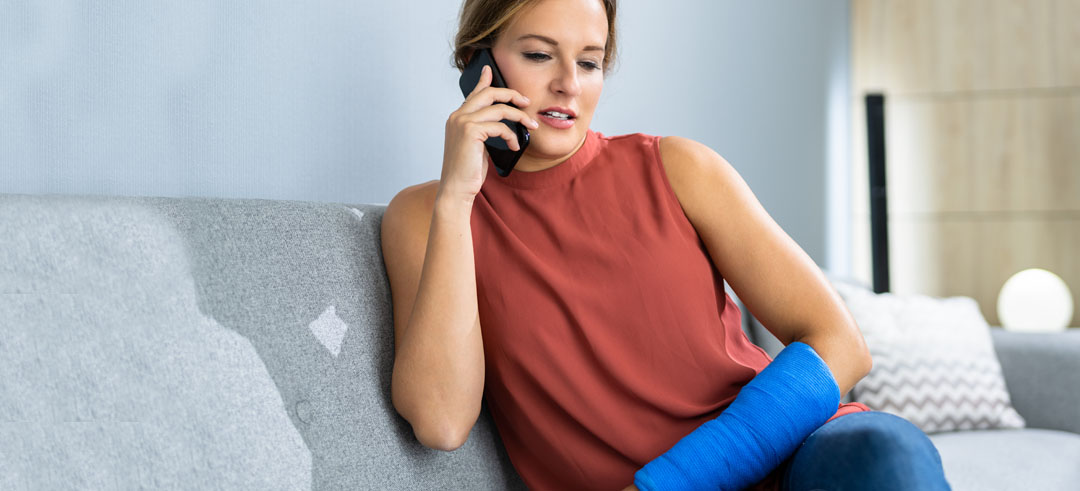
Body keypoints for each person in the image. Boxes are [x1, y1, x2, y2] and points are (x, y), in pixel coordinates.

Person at [381, 0, 952, 489]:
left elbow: (841, 344)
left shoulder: (678, 168)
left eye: (590, 62)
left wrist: (670, 483)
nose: (569, 84)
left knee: (888, 454)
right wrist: (457, 197)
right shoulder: (428, 217)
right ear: (477, 63)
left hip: (795, 463)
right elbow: (440, 421)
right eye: (538, 55)